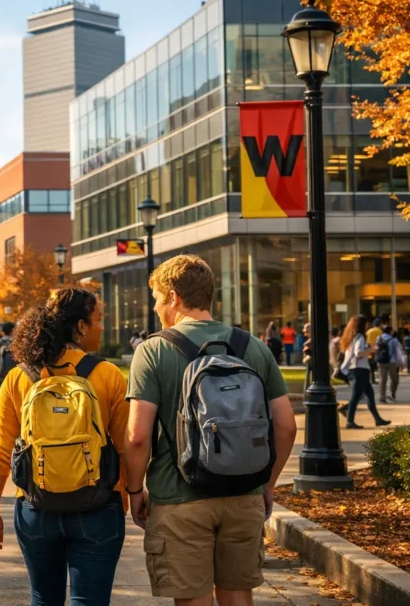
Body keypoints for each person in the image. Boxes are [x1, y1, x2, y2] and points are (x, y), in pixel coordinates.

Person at [123, 255, 298, 604]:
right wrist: (267, 482)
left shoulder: (154, 350)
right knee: (238, 595)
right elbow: (287, 426)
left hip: (179, 499)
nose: (156, 306)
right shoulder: (253, 347)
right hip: (244, 493)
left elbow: (138, 436)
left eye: (157, 297)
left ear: (173, 297)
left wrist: (134, 490)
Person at [0, 287, 129, 605]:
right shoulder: (108, 376)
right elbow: (126, 445)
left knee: (43, 599)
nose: (102, 327)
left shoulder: (18, 378)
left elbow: (2, 450)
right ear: (80, 326)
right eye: (98, 319)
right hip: (98, 505)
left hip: (36, 505)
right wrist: (133, 492)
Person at [338, 314, 391, 429]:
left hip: (356, 369)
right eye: (366, 323)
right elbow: (358, 353)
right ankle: (350, 421)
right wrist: (371, 349)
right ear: (362, 325)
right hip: (360, 369)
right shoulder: (360, 337)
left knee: (370, 395)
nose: (368, 325)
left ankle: (378, 419)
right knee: (356, 396)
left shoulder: (350, 337)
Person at [376, 325, 405, 403]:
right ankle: (391, 393)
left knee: (383, 379)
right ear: (390, 331)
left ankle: (382, 397)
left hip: (381, 361)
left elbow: (376, 348)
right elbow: (398, 353)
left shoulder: (379, 338)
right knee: (394, 378)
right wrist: (401, 363)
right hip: (392, 362)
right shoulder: (394, 340)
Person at [366, 317, 384, 384]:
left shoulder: (369, 331)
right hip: (376, 349)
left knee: (370, 366)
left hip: (369, 349)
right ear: (380, 324)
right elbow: (380, 341)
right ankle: (375, 380)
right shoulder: (379, 331)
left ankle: (371, 379)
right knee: (376, 365)